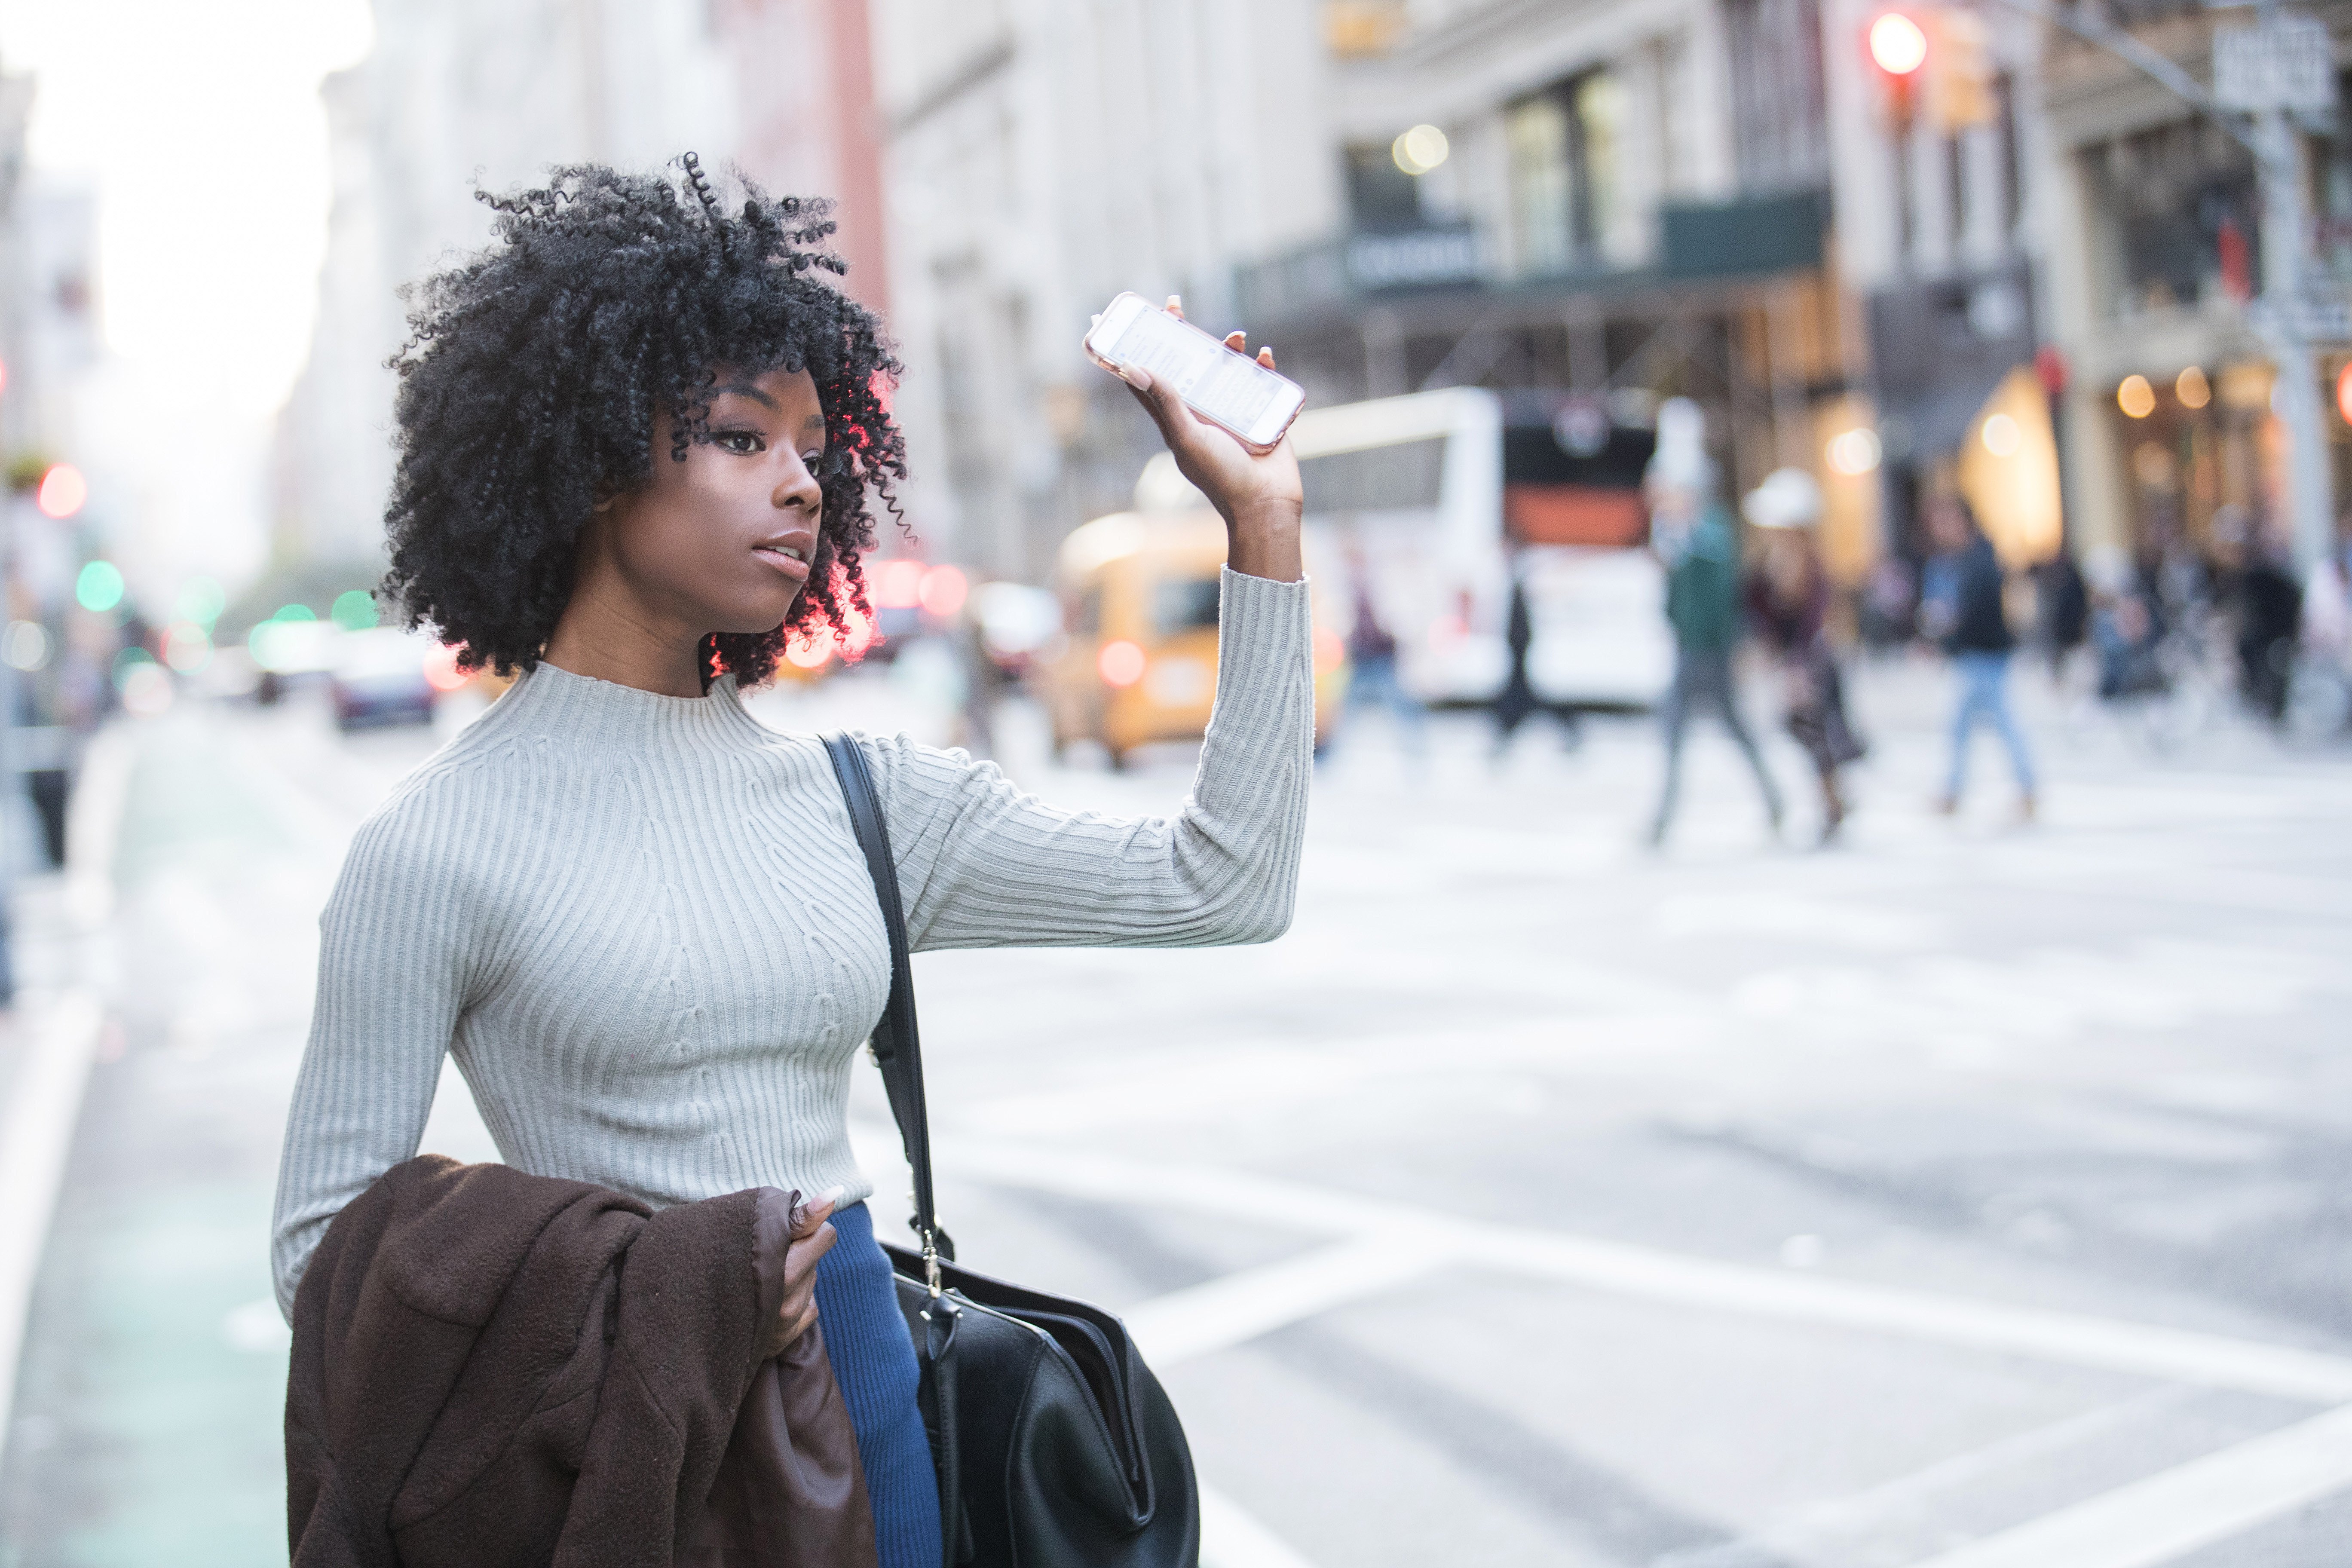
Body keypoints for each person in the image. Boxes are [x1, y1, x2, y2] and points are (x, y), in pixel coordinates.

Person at [267, 161, 1313, 1568]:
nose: (803, 481)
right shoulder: (432, 848)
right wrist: (662, 1293)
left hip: (865, 1387)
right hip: (613, 1466)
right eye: (740, 436)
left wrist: (1261, 527)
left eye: (816, 443)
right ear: (587, 455)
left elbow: (1225, 882)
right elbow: (323, 1257)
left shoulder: (859, 796)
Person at [1646, 453, 1781, 845]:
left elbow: (1723, 592)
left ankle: (1664, 818)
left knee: (1701, 729)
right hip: (1692, 647)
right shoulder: (1680, 533)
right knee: (1715, 729)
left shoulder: (1710, 529)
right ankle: (1773, 801)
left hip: (1709, 650)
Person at [1743, 468, 1864, 843]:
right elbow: (1757, 603)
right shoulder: (1773, 561)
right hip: (1796, 661)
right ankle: (1834, 798)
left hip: (1811, 662)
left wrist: (1798, 663)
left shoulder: (1807, 564)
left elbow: (1814, 619)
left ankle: (1832, 803)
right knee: (1805, 731)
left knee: (1816, 733)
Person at [1922, 495, 2036, 818]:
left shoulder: (1981, 558)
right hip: (1972, 655)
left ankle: (2018, 789)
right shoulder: (1953, 560)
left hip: (1986, 655)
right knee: (1971, 725)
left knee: (1992, 724)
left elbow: (1979, 609)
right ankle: (1961, 791)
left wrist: (1950, 631)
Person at [1337, 537, 1425, 759]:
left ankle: (1416, 754)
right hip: (1361, 657)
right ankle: (1330, 761)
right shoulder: (1345, 586)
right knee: (1346, 711)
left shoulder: (1381, 581)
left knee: (1400, 707)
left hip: (1382, 655)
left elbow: (1396, 614)